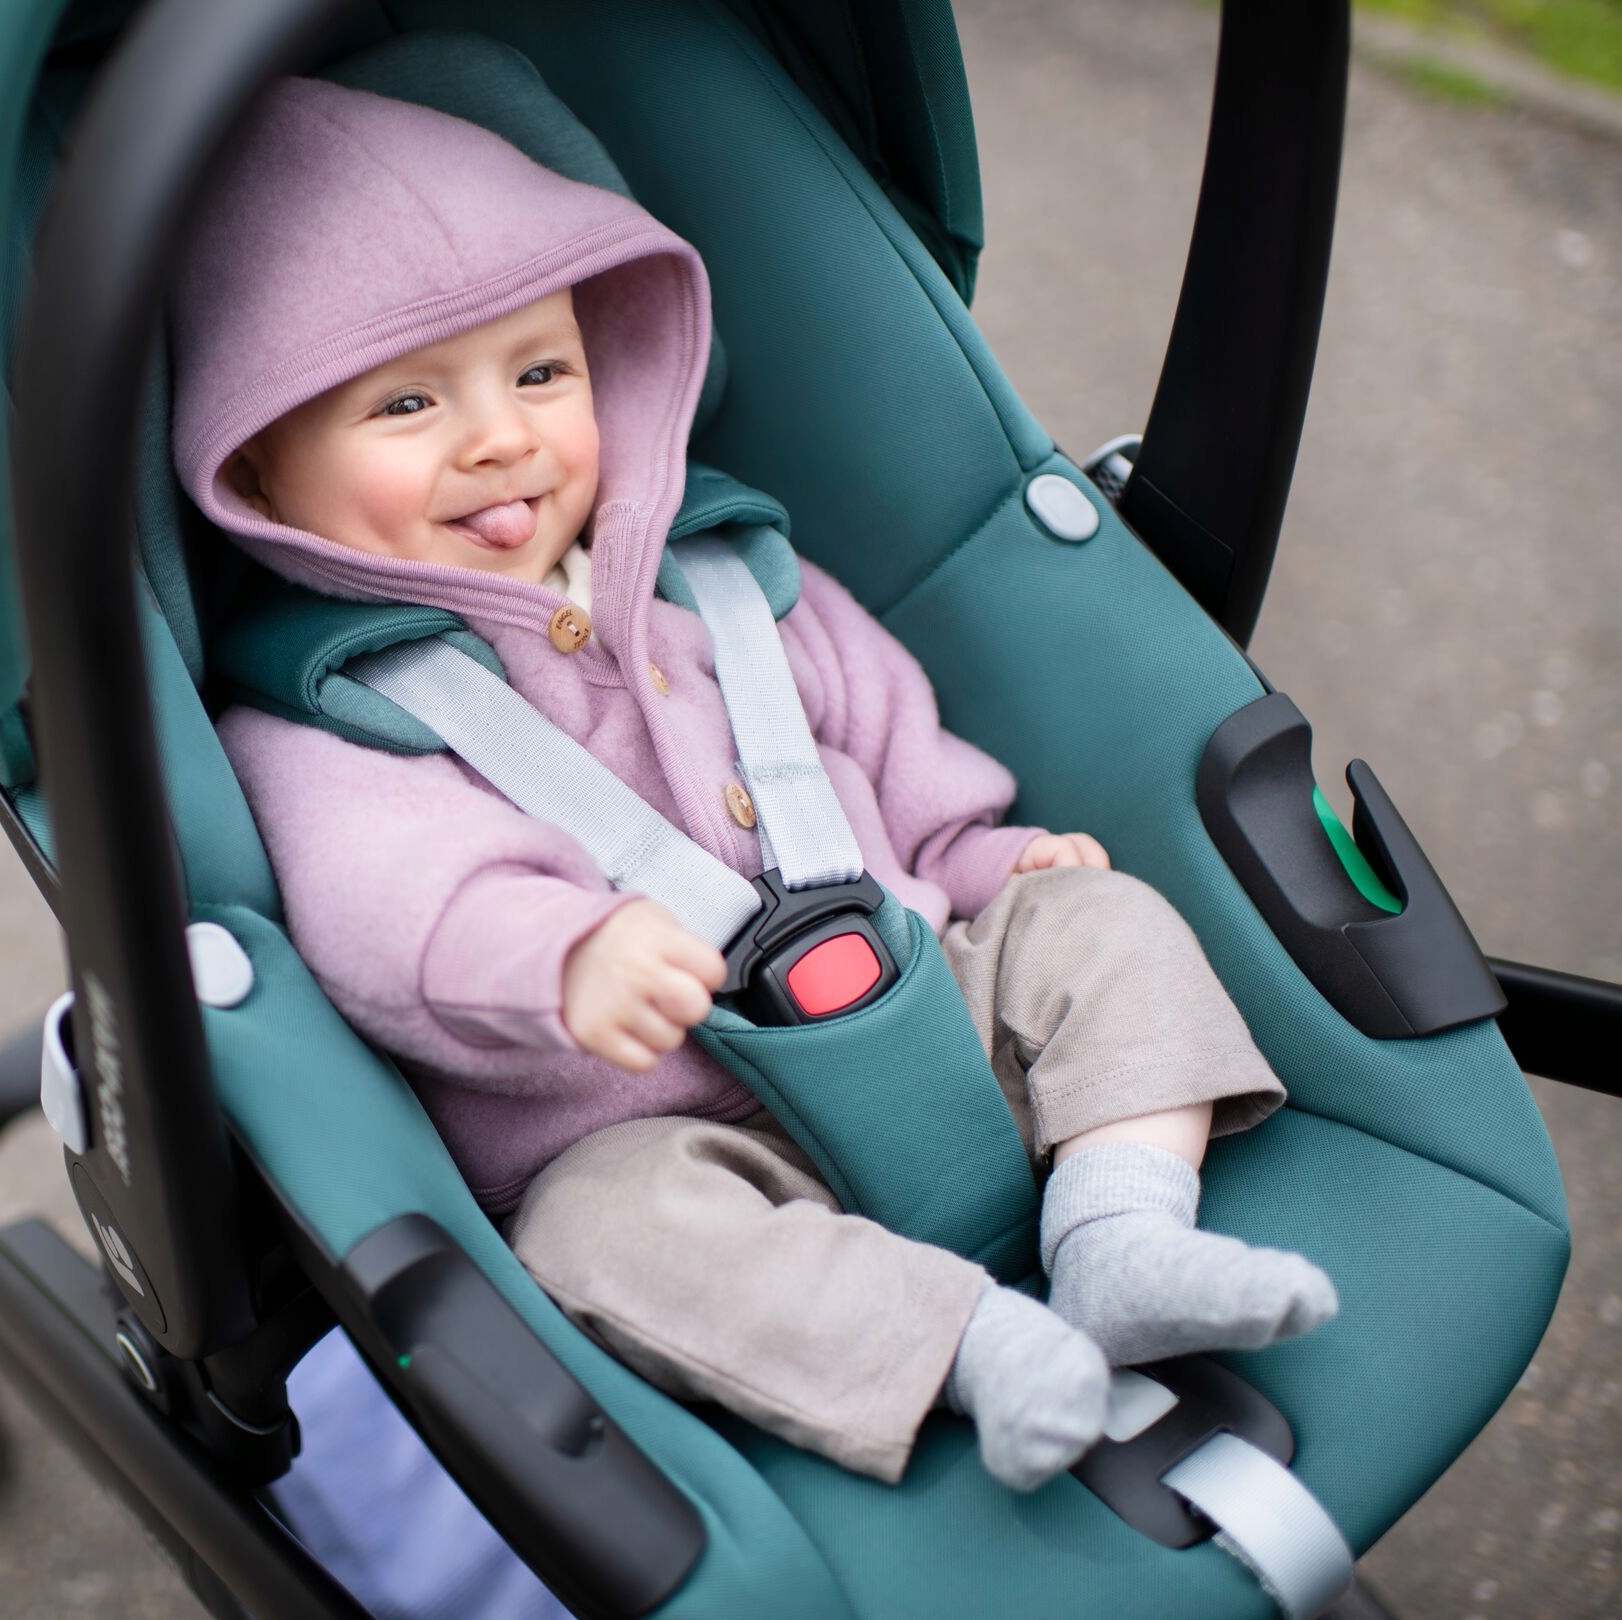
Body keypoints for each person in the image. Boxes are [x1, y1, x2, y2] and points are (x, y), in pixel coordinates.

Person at [169, 75, 1336, 1490]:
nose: (499, 438)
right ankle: (967, 1349)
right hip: (657, 1130)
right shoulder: (335, 712)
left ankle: (1121, 1232)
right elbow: (384, 904)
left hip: (927, 1009)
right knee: (591, 1238)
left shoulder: (726, 576)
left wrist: (982, 862)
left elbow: (890, 747)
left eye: (540, 374)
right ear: (259, 473)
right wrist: (558, 959)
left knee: (1103, 923)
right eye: (408, 401)